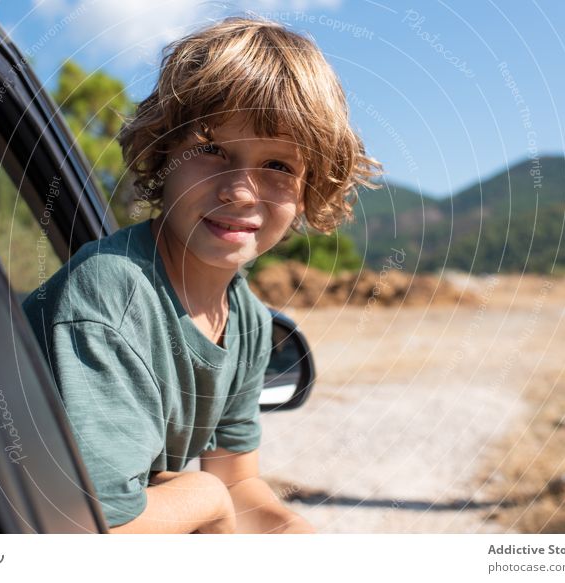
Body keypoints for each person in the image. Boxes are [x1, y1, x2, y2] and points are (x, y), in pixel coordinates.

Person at [23, 16, 381, 534]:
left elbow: (237, 481)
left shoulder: (251, 322)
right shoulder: (110, 296)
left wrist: (291, 532)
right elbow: (88, 529)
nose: (241, 191)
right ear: (162, 153)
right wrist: (204, 497)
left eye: (278, 166)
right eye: (211, 150)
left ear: (310, 188)